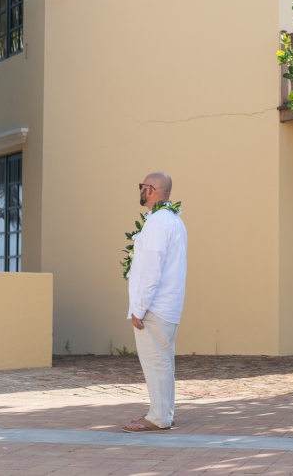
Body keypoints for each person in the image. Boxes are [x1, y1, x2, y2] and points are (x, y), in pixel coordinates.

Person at [122, 172, 188, 433]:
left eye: (142, 187)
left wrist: (138, 308)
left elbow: (151, 269)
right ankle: (162, 413)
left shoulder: (158, 222)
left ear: (150, 189)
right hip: (167, 305)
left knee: (156, 362)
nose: (140, 190)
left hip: (154, 307)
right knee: (163, 361)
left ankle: (159, 417)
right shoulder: (173, 220)